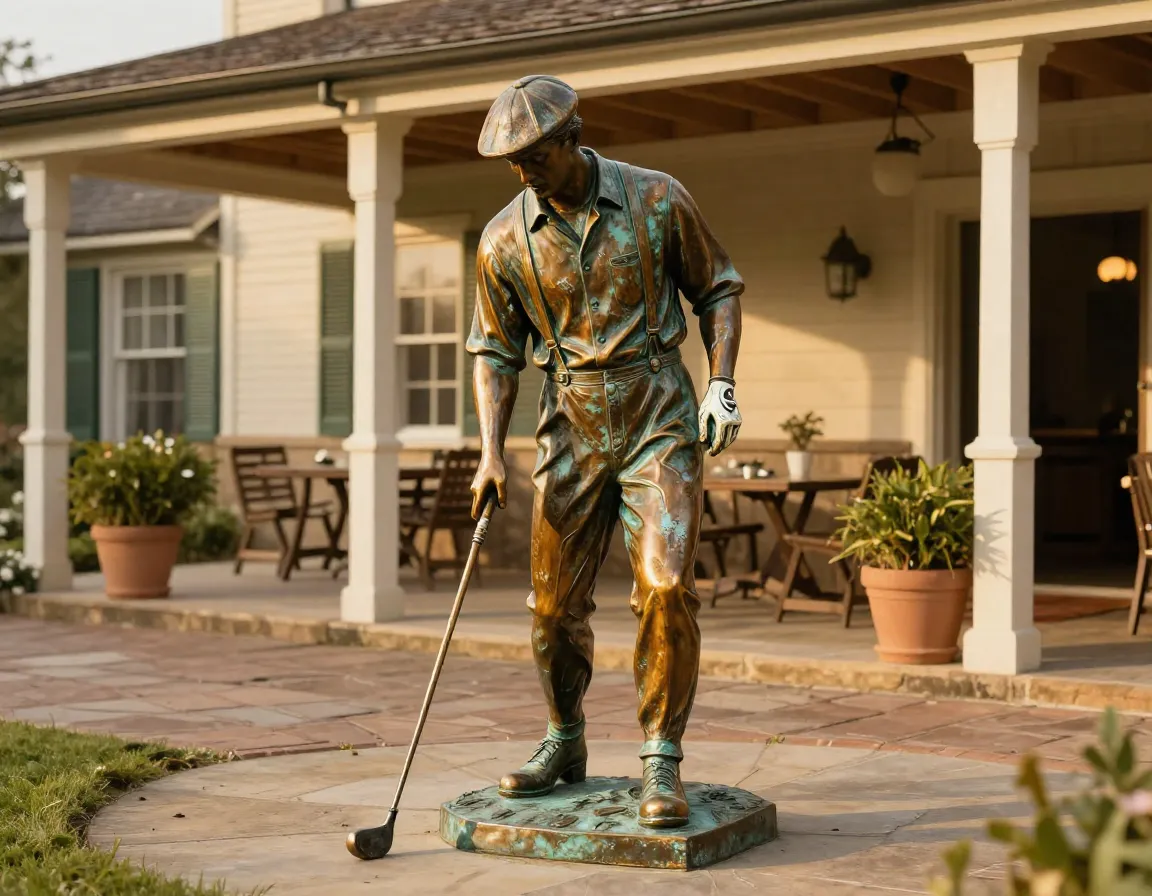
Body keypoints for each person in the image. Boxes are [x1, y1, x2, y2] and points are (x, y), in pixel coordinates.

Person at [466, 74, 744, 828]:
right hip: (570, 418)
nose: (524, 173)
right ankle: (565, 739)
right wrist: (491, 452)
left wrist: (721, 385)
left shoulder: (656, 199)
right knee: (552, 608)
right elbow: (494, 352)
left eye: (534, 157)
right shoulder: (503, 239)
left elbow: (717, 289)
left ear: (571, 137)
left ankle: (661, 757)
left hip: (658, 407)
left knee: (663, 585)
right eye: (513, 163)